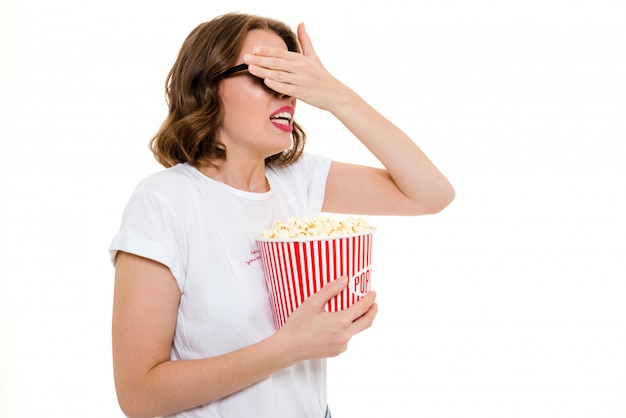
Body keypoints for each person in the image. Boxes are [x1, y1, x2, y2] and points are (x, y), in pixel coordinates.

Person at [109, 12, 454, 418]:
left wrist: (335, 95)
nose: (287, 92)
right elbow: (139, 396)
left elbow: (432, 194)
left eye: (292, 76)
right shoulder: (164, 202)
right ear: (207, 85)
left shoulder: (298, 179)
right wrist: (289, 347)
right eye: (266, 73)